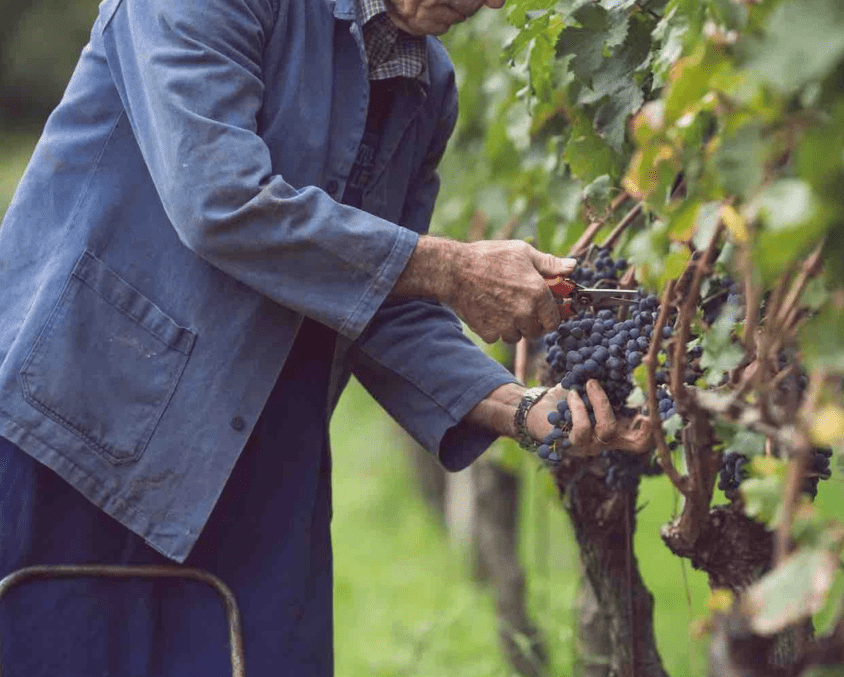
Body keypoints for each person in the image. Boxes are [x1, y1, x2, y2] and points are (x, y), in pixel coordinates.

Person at [0, 0, 652, 674]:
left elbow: (383, 296)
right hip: (78, 435)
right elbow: (221, 200)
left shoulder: (428, 83)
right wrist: (455, 269)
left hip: (262, 466)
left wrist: (523, 408)